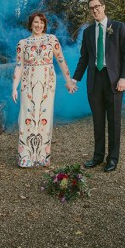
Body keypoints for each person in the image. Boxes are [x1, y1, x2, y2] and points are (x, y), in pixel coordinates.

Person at [71, 0, 125, 172]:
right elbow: (84, 58)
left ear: (103, 7)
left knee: (113, 121)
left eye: (97, 6)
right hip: (94, 80)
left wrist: (123, 78)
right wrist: (75, 79)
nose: (94, 10)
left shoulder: (118, 27)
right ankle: (97, 157)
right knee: (98, 121)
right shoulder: (88, 32)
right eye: (91, 8)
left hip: (114, 81)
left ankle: (112, 158)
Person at [12, 12, 75, 168]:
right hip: (28, 83)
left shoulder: (51, 39)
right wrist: (14, 86)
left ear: (44, 24)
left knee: (44, 116)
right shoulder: (23, 43)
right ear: (30, 24)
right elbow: (19, 66)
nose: (39, 25)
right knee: (28, 115)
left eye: (41, 22)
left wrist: (69, 81)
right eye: (35, 22)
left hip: (47, 82)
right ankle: (25, 156)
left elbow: (61, 60)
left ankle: (42, 155)